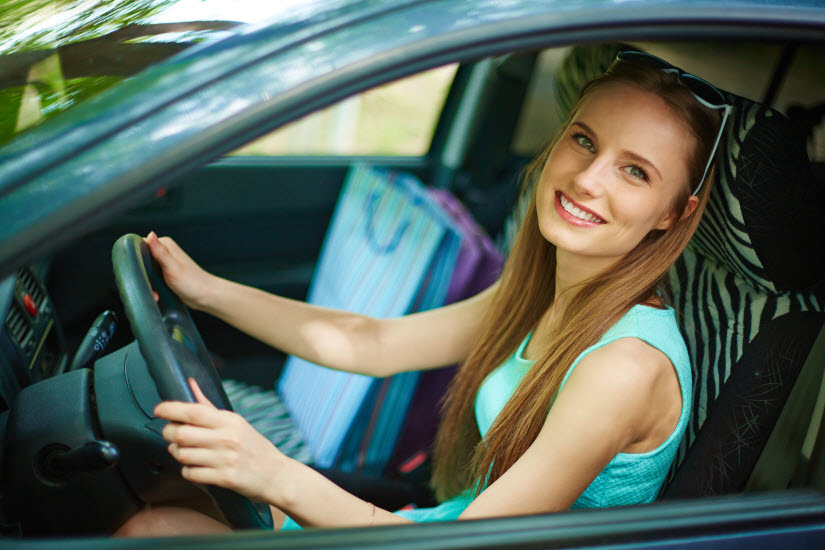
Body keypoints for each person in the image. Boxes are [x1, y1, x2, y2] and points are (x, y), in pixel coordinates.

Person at [115, 50, 728, 536]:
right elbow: (372, 342)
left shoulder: (625, 367)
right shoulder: (545, 294)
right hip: (434, 525)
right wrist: (206, 291)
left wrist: (272, 472)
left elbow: (464, 544)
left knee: (155, 527)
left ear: (675, 213)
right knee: (158, 495)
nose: (587, 179)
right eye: (584, 140)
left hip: (447, 540)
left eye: (635, 171)